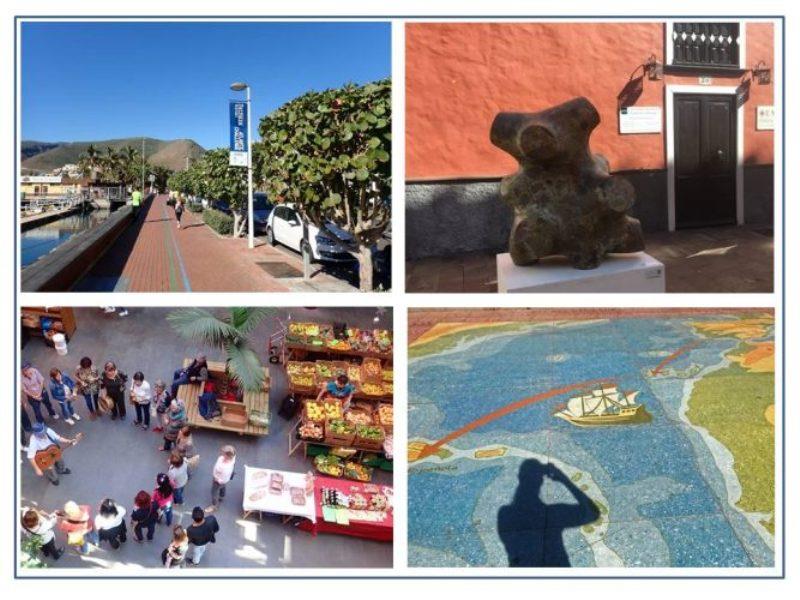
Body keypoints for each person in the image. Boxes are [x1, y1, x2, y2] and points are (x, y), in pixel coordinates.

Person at [208, 445, 236, 512]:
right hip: (224, 479)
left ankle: (214, 506)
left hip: (218, 480)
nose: (222, 453)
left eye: (223, 453)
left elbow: (222, 478)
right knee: (223, 486)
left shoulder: (225, 467)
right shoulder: (232, 458)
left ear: (227, 455)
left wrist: (217, 479)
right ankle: (222, 496)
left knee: (214, 492)